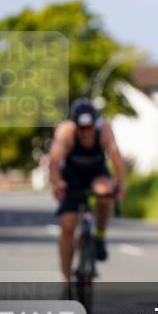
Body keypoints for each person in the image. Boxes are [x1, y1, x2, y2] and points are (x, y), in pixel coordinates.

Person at [48, 98, 126, 284]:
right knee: (68, 225)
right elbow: (54, 162)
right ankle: (66, 280)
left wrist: (120, 184)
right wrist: (57, 183)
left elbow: (116, 157)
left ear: (95, 123)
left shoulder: (104, 130)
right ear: (74, 125)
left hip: (96, 173)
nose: (85, 132)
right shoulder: (65, 132)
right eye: (81, 128)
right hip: (72, 177)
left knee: (105, 192)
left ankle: (99, 235)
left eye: (89, 127)